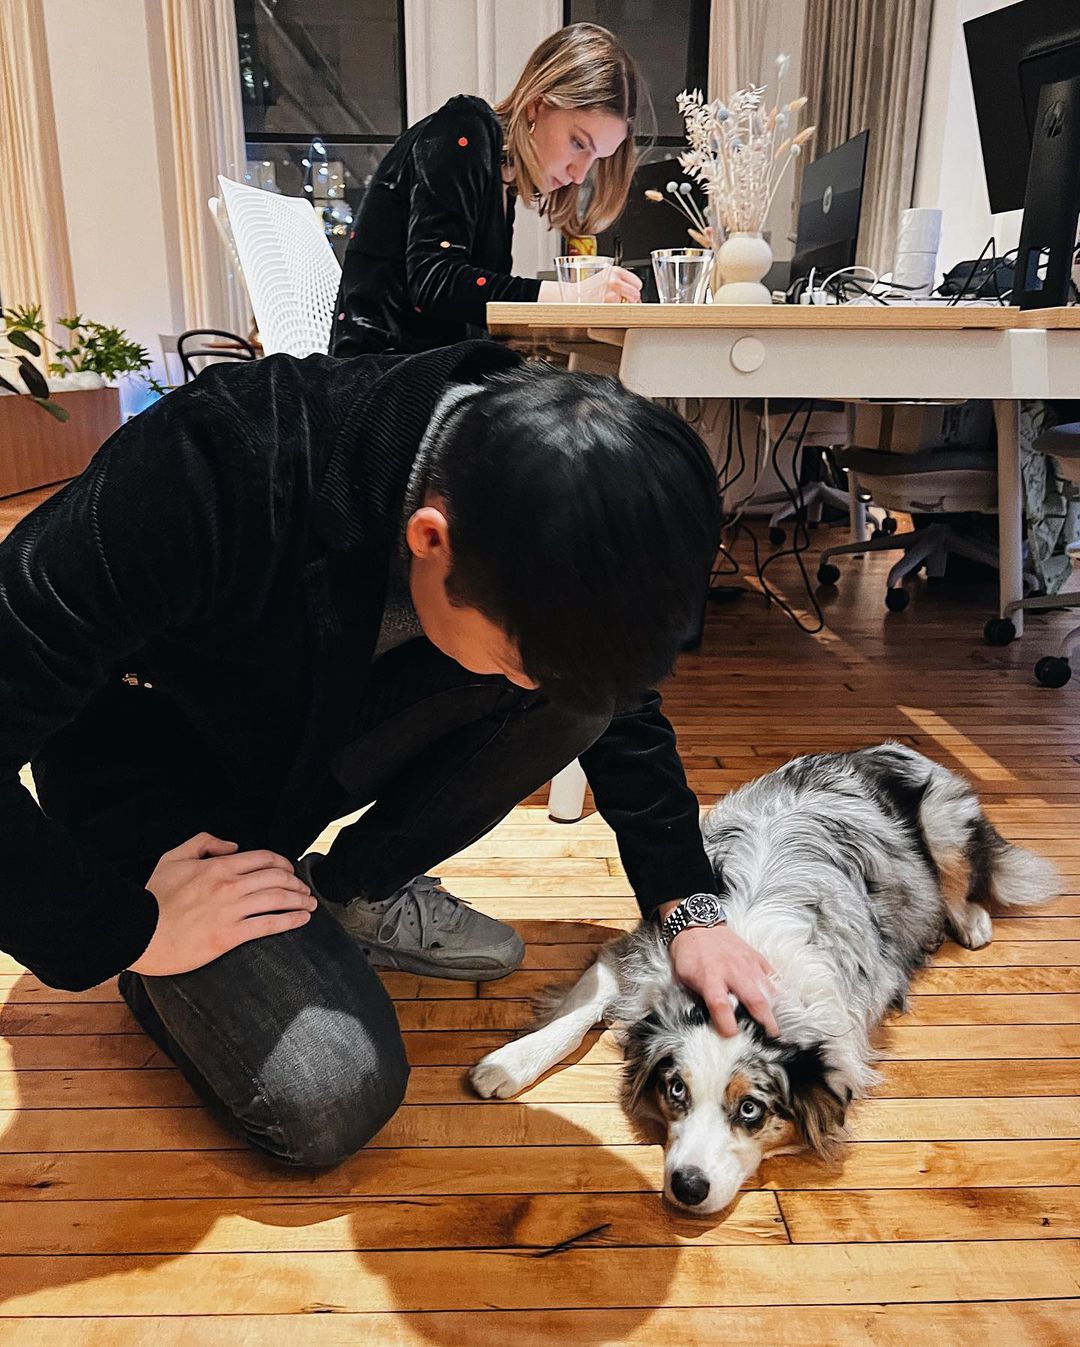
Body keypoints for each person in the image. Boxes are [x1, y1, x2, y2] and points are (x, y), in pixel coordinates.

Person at [0, 339, 777, 1168]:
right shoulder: (208, 470)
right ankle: (174, 961)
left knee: (582, 698)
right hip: (153, 782)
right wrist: (130, 928)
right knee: (331, 1092)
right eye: (519, 659)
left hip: (295, 745)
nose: (531, 683)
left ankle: (351, 893)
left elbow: (615, 693)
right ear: (429, 537)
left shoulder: (541, 483)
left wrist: (688, 905)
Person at [329, 22, 644, 358]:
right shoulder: (465, 127)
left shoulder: (501, 179)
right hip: (381, 369)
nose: (579, 175)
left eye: (596, 159)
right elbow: (435, 280)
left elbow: (469, 312)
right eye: (578, 143)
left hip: (426, 365)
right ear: (537, 105)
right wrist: (573, 296)